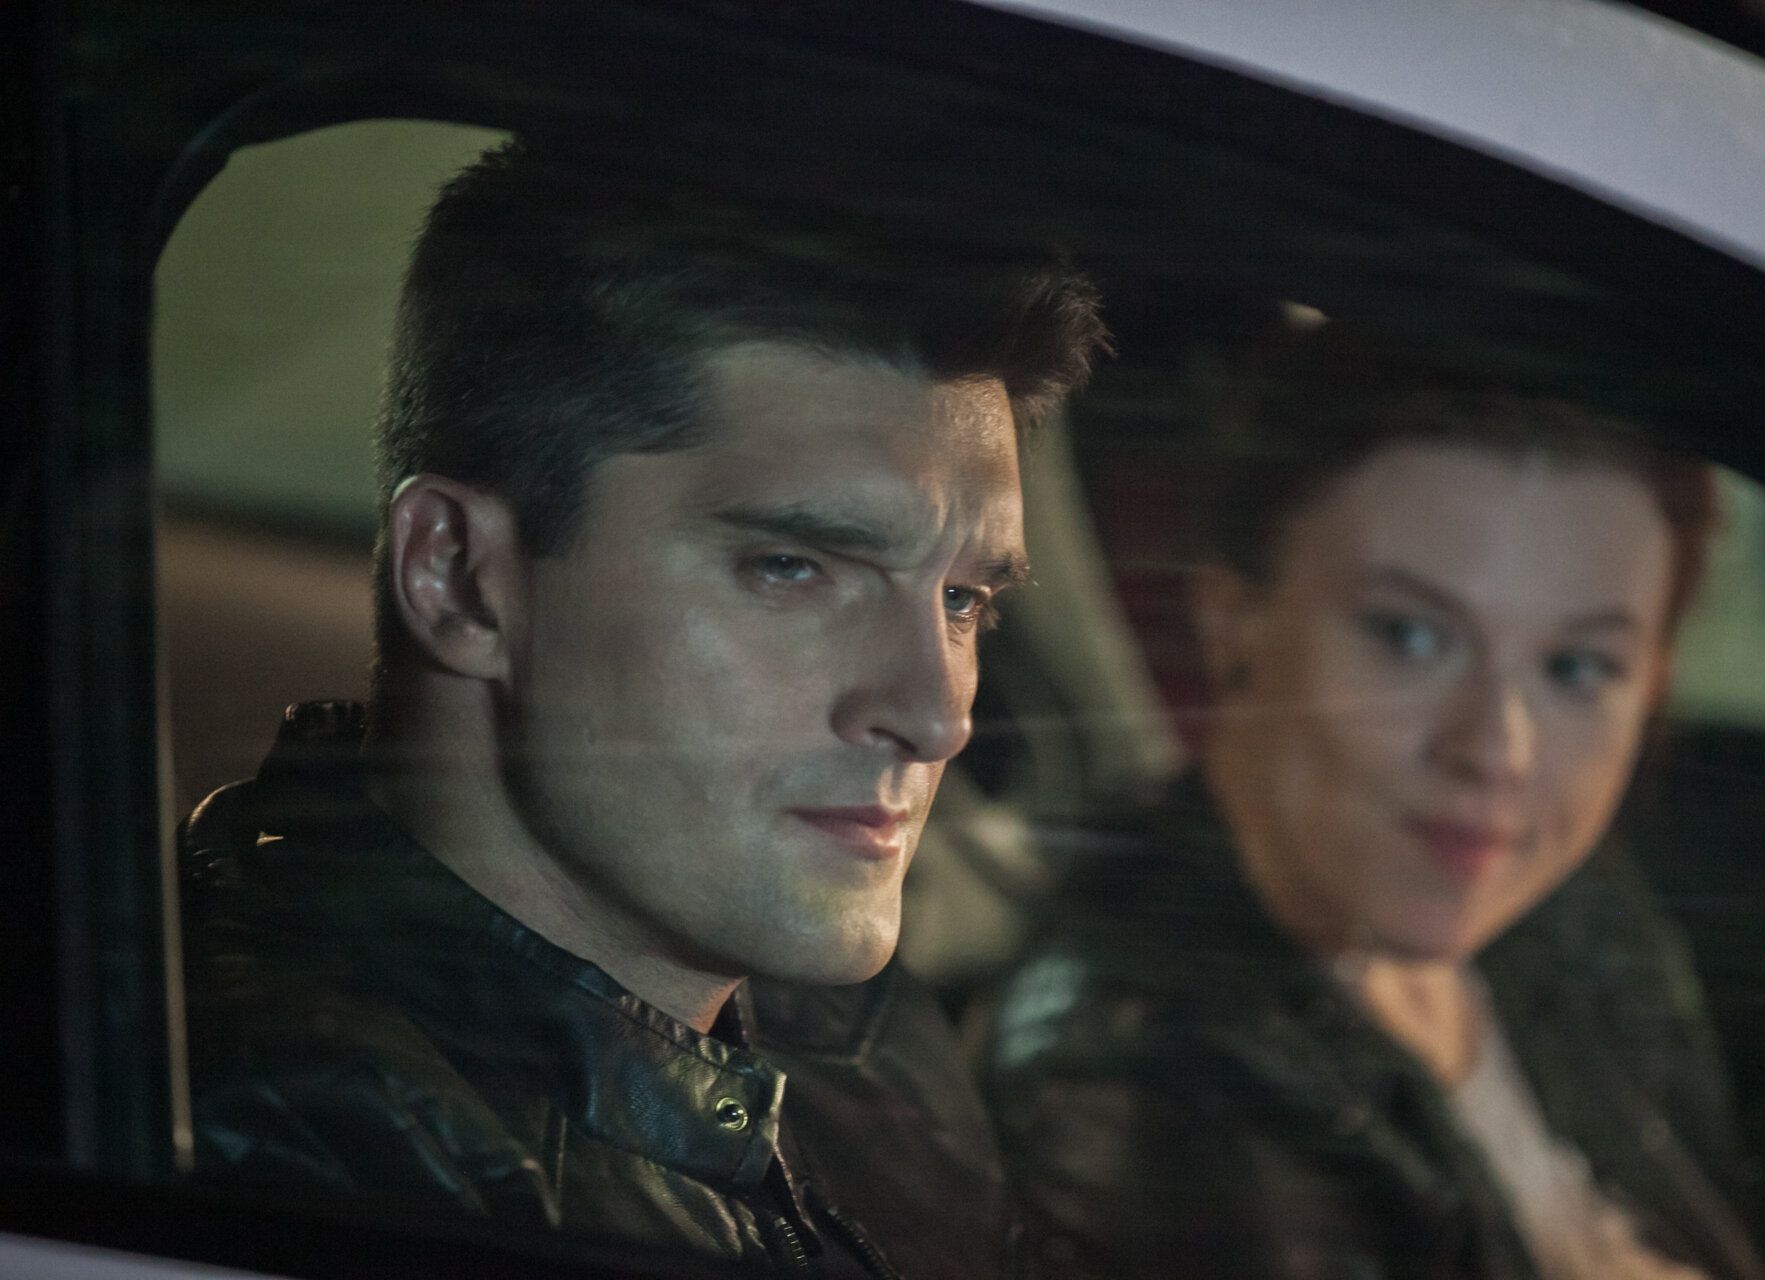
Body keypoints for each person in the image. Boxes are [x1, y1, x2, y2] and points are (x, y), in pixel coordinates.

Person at [181, 137, 1108, 1277]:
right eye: (792, 568)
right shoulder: (299, 1142)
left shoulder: (850, 1031)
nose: (936, 716)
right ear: (459, 578)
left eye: (963, 598)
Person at [981, 341, 1764, 1279]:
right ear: (1232, 619)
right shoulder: (1132, 1086)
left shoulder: (1565, 913)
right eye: (1412, 636)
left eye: (1576, 667)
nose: (1496, 752)